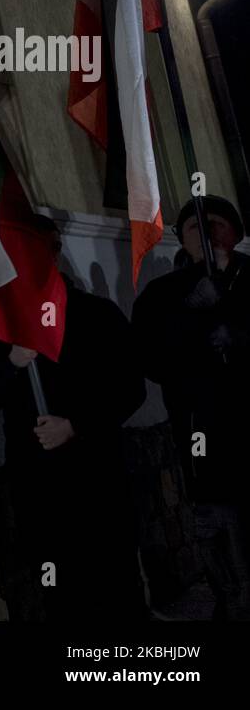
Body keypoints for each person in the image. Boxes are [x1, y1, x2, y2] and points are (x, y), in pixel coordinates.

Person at [0, 217, 147, 620]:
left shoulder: (96, 315)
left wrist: (77, 425)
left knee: (116, 584)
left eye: (40, 248)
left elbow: (130, 388)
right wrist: (12, 360)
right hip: (39, 485)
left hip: (98, 475)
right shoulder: (0, 325)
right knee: (58, 590)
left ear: (55, 252)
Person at [132, 194, 250, 620]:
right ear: (182, 239)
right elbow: (150, 359)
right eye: (196, 227)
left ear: (235, 233)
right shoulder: (162, 295)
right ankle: (232, 597)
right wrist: (191, 309)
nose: (208, 233)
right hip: (202, 432)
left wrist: (239, 337)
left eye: (216, 223)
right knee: (218, 523)